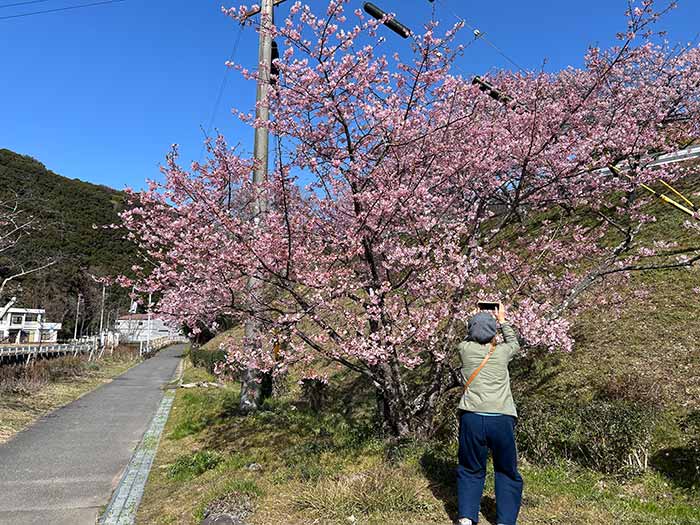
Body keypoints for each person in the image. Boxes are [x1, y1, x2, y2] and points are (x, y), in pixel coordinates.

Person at [455, 302, 523, 525]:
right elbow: (514, 342)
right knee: (506, 469)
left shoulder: (464, 350)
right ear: (494, 331)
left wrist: (475, 317)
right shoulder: (503, 352)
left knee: (470, 468)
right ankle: (505, 520)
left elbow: (467, 336)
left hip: (472, 417)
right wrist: (502, 321)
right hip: (501, 418)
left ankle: (466, 517)